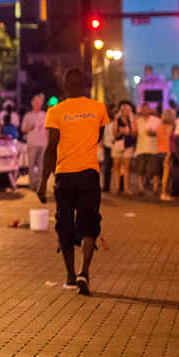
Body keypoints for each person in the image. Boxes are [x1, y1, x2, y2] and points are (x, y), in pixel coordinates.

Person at [37, 67, 106, 296]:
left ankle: (69, 276)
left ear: (64, 85)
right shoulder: (98, 108)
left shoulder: (56, 111)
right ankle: (84, 273)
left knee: (64, 225)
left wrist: (42, 181)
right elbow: (99, 136)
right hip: (89, 173)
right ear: (86, 84)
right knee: (89, 224)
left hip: (64, 175)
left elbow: (51, 148)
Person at [111, 100, 136, 195]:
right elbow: (115, 134)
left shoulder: (131, 121)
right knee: (116, 167)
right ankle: (117, 187)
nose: (125, 112)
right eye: (124, 110)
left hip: (128, 145)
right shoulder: (117, 120)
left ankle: (126, 188)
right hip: (118, 145)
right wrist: (121, 131)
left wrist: (131, 121)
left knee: (126, 168)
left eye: (127, 110)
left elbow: (134, 132)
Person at [134, 104, 158, 195]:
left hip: (153, 148)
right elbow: (134, 132)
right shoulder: (138, 121)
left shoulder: (155, 120)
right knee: (140, 170)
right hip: (141, 148)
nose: (145, 111)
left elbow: (159, 132)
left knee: (154, 170)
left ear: (149, 110)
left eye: (147, 109)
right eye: (143, 110)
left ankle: (155, 189)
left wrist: (153, 133)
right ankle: (141, 188)